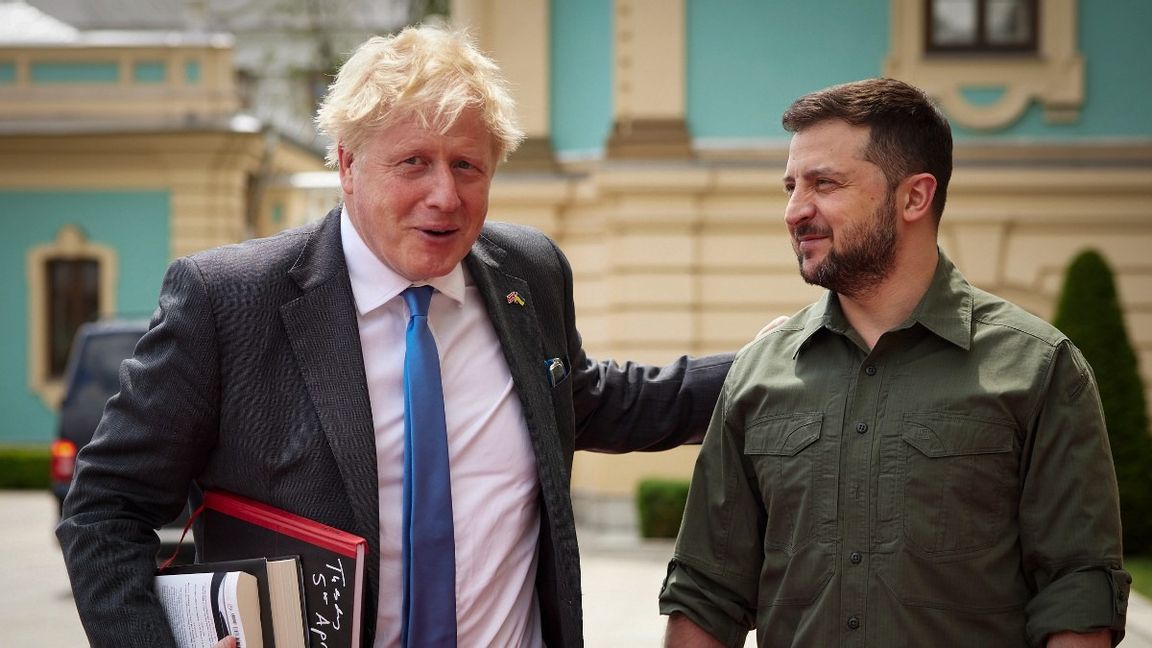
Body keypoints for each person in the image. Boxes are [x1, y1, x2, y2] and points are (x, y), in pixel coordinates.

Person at [57, 25, 733, 648]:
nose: (445, 195)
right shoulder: (229, 301)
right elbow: (104, 508)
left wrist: (784, 360)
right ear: (348, 167)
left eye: (466, 165)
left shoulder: (529, 272)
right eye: (413, 162)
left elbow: (591, 402)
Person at [659, 78, 1130, 648]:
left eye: (824, 184)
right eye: (790, 187)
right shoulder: (758, 376)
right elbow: (705, 595)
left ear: (915, 197)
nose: (794, 211)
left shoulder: (1039, 369)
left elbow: (1075, 595)